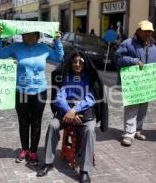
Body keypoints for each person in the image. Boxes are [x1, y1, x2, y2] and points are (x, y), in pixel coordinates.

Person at [0, 28, 64, 166]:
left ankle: (33, 151)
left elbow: (59, 57)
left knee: (36, 122)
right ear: (23, 35)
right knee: (23, 121)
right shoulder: (16, 47)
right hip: (21, 91)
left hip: (39, 91)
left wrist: (57, 40)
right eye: (27, 34)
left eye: (34, 34)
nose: (30, 37)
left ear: (38, 36)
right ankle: (25, 149)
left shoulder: (44, 48)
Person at [36, 50, 108, 183]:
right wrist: (69, 111)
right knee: (53, 126)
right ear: (71, 63)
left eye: (80, 62)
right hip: (65, 111)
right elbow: (59, 97)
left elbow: (91, 98)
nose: (77, 64)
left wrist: (74, 110)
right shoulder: (65, 76)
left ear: (84, 64)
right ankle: (48, 162)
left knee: (90, 130)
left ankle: (85, 170)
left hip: (85, 113)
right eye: (74, 62)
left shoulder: (90, 77)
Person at [115, 20, 156, 147]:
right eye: (145, 31)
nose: (147, 33)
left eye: (149, 31)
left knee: (143, 107)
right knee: (132, 106)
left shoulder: (154, 47)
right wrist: (134, 60)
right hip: (132, 82)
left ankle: (137, 130)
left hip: (146, 83)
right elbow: (117, 59)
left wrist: (155, 77)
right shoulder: (128, 44)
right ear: (138, 30)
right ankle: (128, 134)